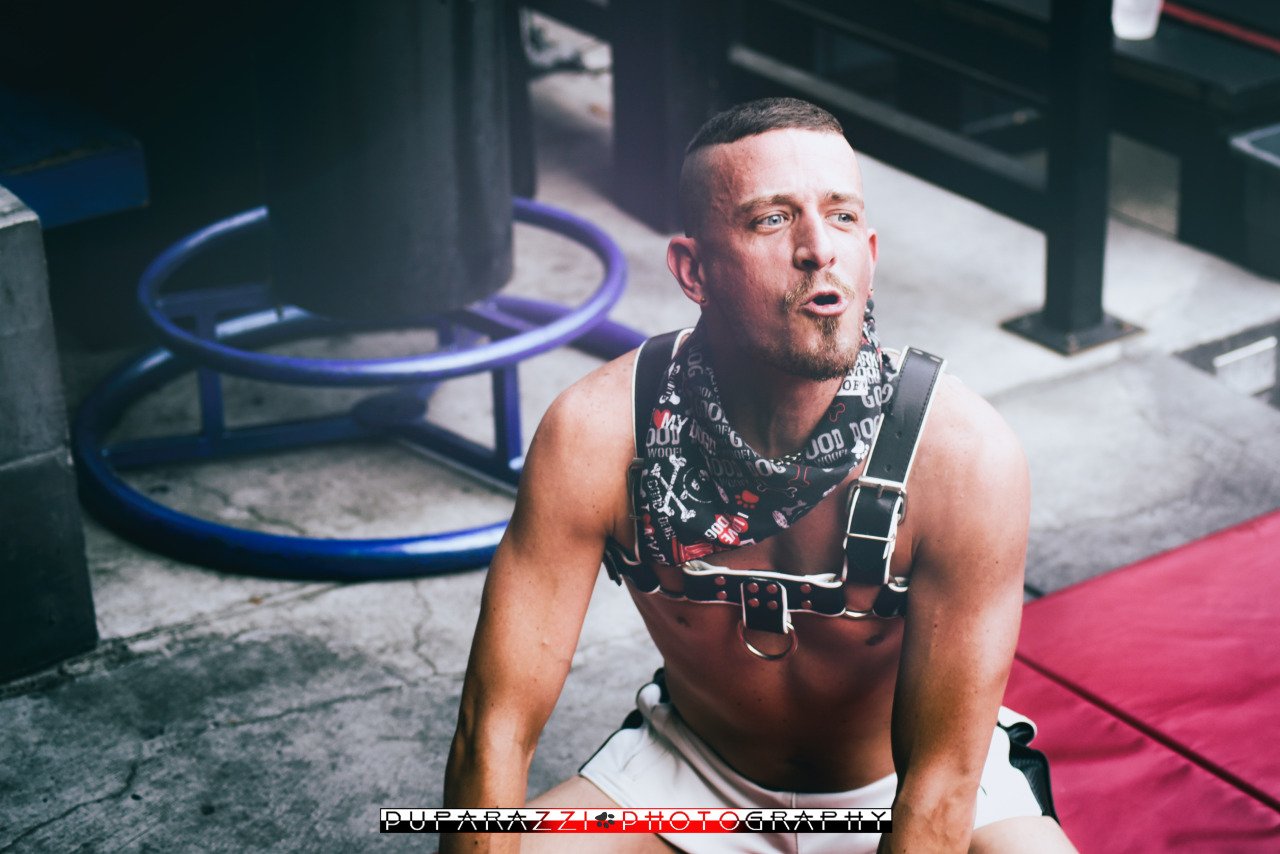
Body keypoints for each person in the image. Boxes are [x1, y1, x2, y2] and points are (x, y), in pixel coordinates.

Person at [442, 97, 1076, 854]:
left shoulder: (965, 456)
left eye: (842, 217)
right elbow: (494, 727)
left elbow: (940, 785)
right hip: (693, 777)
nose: (818, 249)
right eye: (772, 220)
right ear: (694, 270)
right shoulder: (595, 434)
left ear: (870, 251)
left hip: (910, 789)